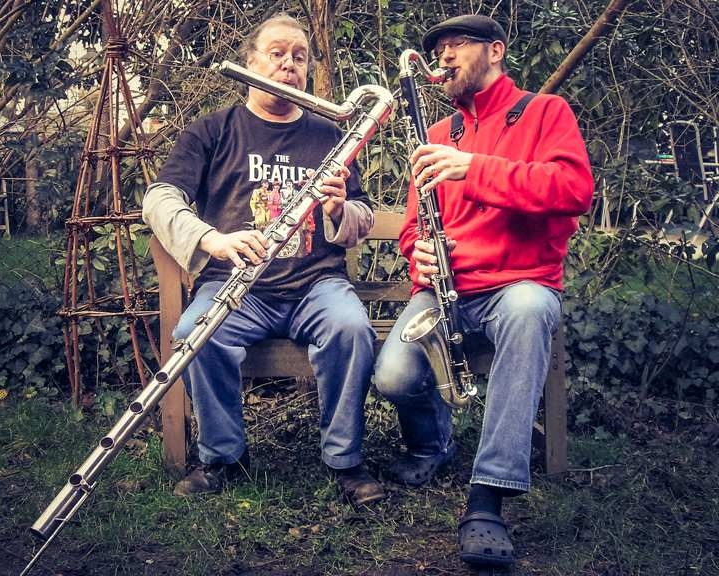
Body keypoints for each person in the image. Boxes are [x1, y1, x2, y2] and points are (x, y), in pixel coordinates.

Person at [372, 14, 593, 567]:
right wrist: (418, 253)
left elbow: (573, 189)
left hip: (518, 286)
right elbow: (413, 226)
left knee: (529, 309)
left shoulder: (545, 112)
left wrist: (474, 168)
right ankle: (434, 444)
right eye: (437, 50)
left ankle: (488, 496)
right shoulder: (436, 134)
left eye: (456, 45)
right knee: (393, 377)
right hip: (445, 291)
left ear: (495, 51)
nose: (444, 57)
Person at [142, 13, 385, 506]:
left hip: (316, 285)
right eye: (276, 54)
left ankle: (345, 461)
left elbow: (362, 215)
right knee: (194, 334)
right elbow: (159, 198)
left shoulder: (329, 136)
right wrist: (211, 240)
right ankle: (222, 457)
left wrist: (339, 209)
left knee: (351, 328)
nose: (288, 65)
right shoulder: (213, 131)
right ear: (251, 62)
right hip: (236, 287)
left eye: (299, 57)